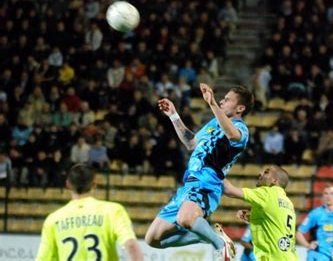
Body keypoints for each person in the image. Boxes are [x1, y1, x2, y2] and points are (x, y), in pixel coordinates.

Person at [145, 83, 254, 261]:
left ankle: (220, 245)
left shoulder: (241, 129)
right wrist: (173, 115)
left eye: (226, 100)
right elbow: (192, 143)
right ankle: (208, 236)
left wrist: (212, 104)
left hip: (206, 183)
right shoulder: (213, 123)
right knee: (153, 239)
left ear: (240, 108)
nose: (221, 101)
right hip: (188, 185)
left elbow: (232, 135)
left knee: (185, 219)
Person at [36, 164, 143, 261]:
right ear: (94, 184)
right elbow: (130, 245)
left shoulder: (53, 219)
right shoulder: (112, 210)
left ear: (68, 185)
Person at [223, 165, 298, 261]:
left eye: (266, 172)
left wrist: (215, 168)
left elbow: (229, 190)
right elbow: (275, 221)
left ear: (274, 181)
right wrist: (252, 216)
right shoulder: (288, 202)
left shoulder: (268, 193)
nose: (260, 174)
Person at [296, 185, 333, 261]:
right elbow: (298, 233)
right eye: (326, 193)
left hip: (329, 256)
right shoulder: (315, 214)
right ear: (322, 197)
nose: (328, 196)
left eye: (331, 193)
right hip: (315, 255)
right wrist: (308, 245)